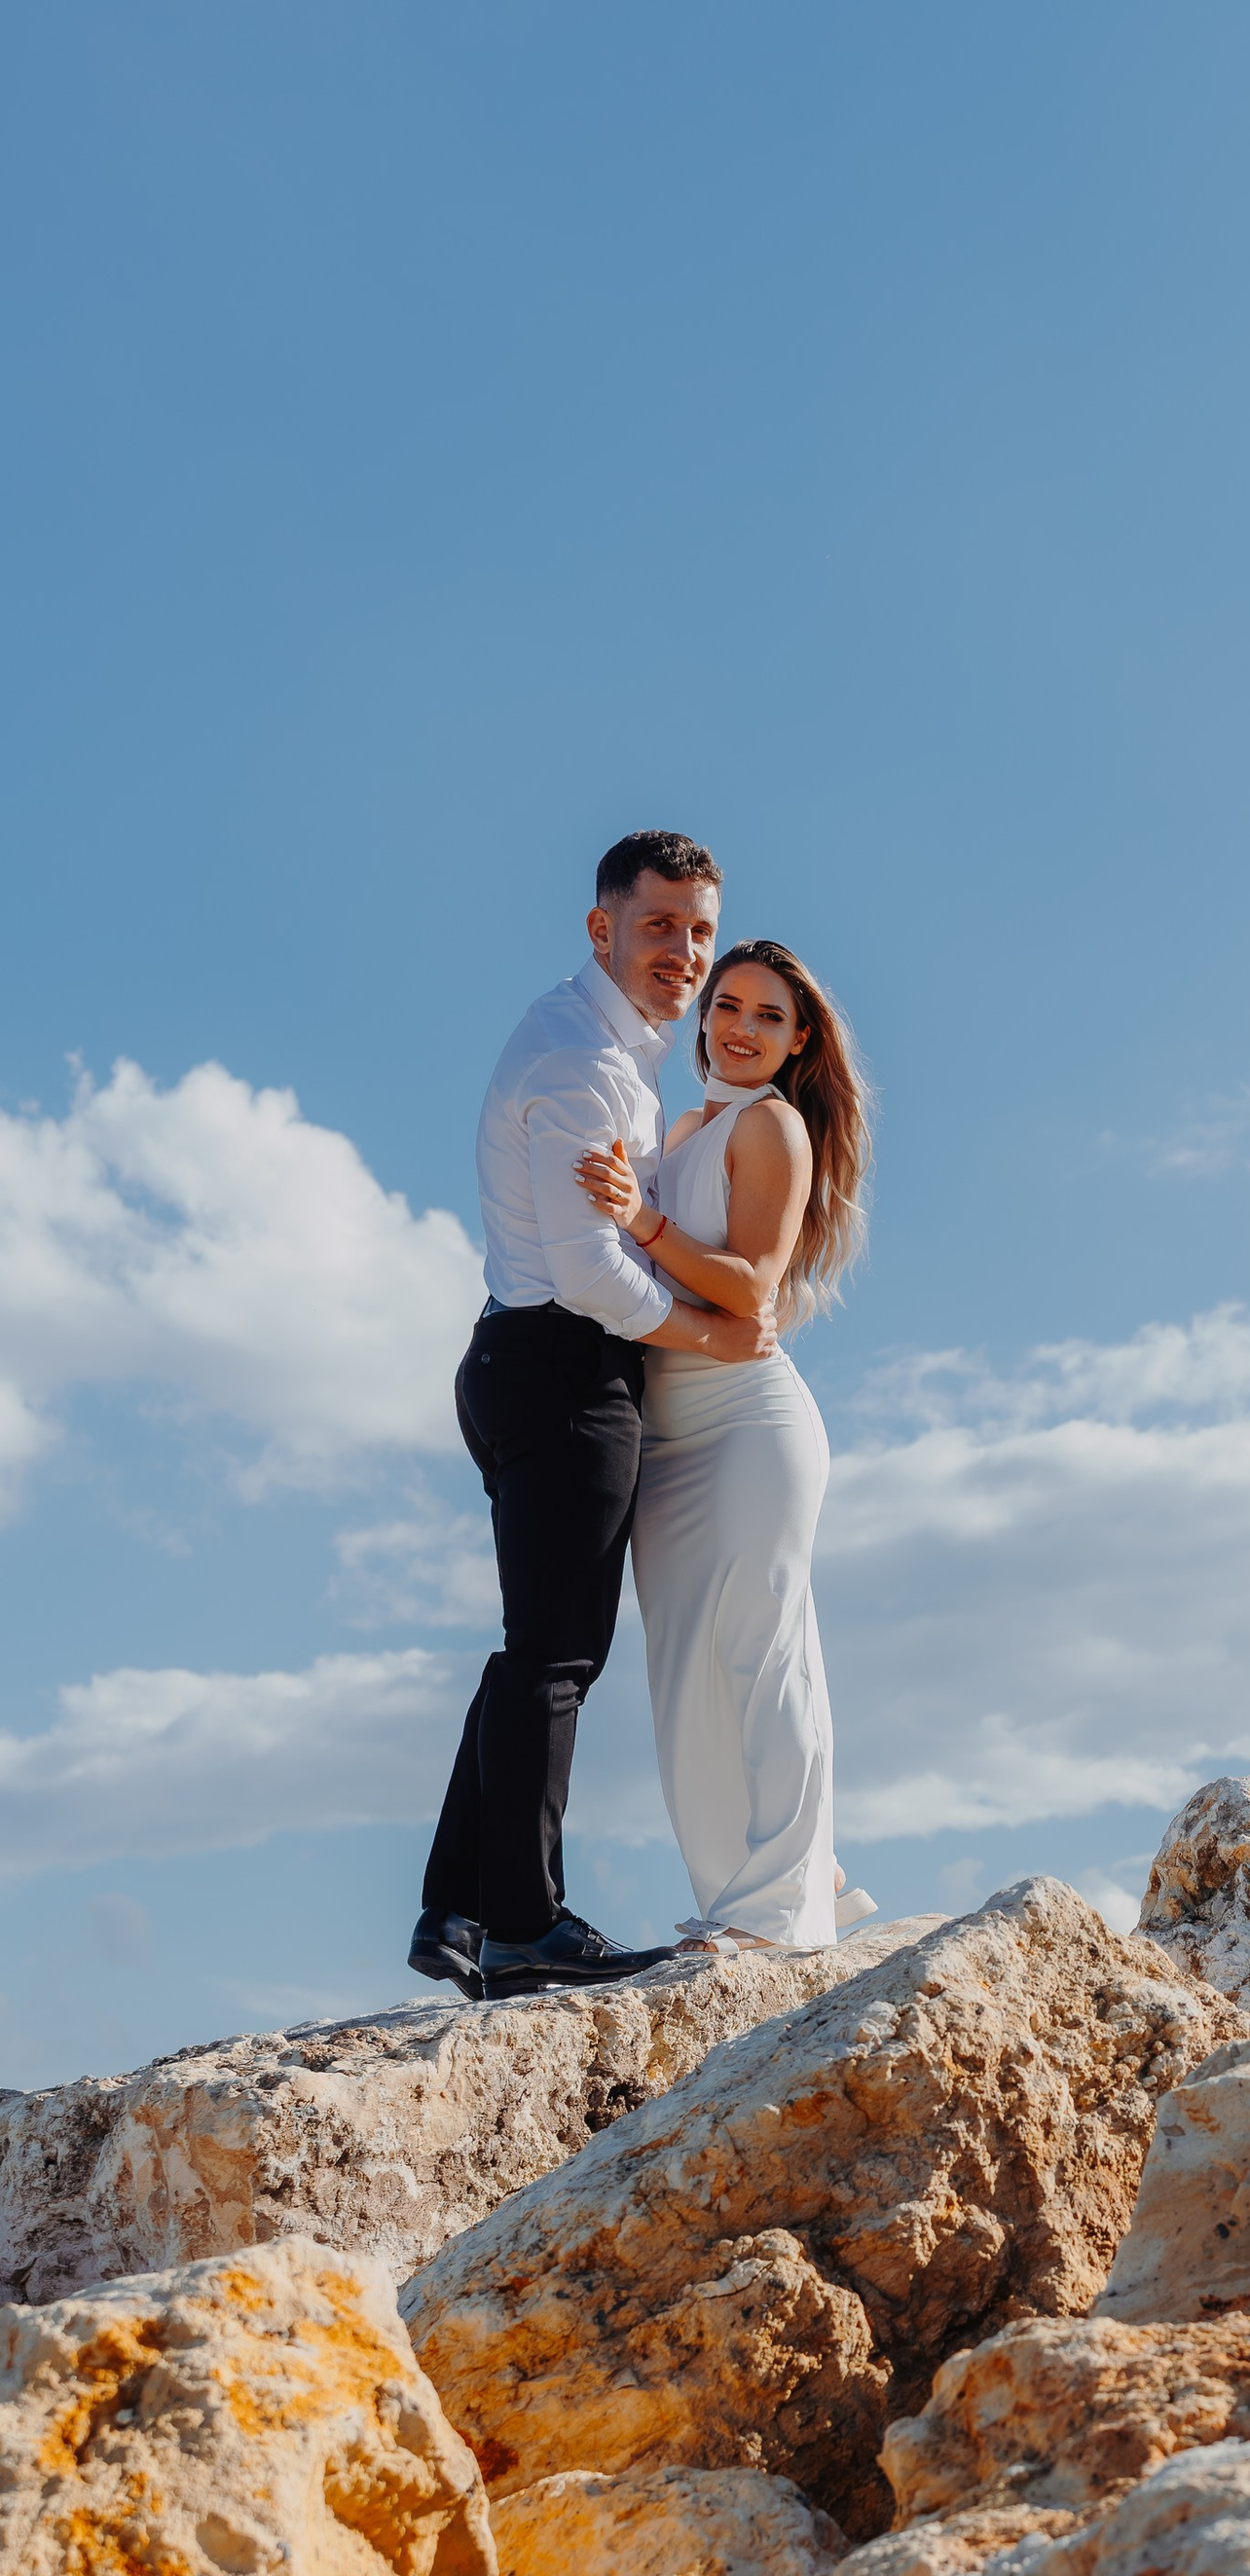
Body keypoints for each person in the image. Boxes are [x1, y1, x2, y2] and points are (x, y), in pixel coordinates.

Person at [410, 832, 778, 2005]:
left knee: (537, 1645)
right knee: (558, 1656)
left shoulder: (610, 1050)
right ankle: (524, 1928)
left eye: (700, 929)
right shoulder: (580, 1063)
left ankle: (459, 1907)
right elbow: (588, 1276)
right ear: (602, 926)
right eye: (661, 924)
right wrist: (710, 1333)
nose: (684, 951)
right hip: (563, 1363)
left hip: (525, 1361)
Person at [570, 938, 871, 1948]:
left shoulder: (771, 1126)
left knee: (763, 1650)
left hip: (747, 1422)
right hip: (667, 1435)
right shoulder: (687, 1123)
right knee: (685, 1672)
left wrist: (642, 1223)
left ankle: (775, 1913)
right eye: (727, 1005)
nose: (739, 1028)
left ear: (797, 1043)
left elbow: (753, 1287)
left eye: (767, 1017)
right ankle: (791, 1878)